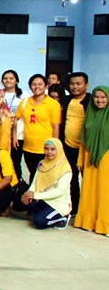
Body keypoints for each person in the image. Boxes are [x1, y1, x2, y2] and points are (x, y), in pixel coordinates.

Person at [13, 74, 61, 184]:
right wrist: (14, 136)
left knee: (44, 176)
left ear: (46, 86)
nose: (37, 87)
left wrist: (55, 145)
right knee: (33, 174)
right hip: (28, 147)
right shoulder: (25, 102)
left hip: (46, 148)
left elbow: (56, 127)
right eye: (34, 84)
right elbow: (16, 119)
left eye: (40, 84)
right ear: (30, 86)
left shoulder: (53, 104)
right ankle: (33, 194)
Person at [74, 86, 109, 234]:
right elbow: (83, 139)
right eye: (96, 97)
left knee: (105, 191)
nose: (99, 100)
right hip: (89, 157)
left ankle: (105, 224)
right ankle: (87, 220)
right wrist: (80, 160)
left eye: (103, 97)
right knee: (89, 190)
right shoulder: (90, 114)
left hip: (106, 157)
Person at [19, 138, 72, 229]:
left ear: (59, 150)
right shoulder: (42, 163)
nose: (49, 152)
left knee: (39, 222)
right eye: (46, 149)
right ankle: (44, 213)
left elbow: (59, 191)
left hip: (57, 204)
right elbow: (35, 182)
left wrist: (35, 195)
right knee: (22, 202)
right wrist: (29, 193)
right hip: (44, 199)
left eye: (53, 149)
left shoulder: (65, 169)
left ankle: (63, 218)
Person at [59, 72, 89, 217]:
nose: (75, 87)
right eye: (72, 84)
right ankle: (75, 208)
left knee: (87, 179)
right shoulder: (66, 100)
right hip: (68, 146)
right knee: (71, 178)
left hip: (85, 148)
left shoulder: (91, 101)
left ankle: (87, 210)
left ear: (86, 85)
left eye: (78, 84)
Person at [2, 69, 28, 179]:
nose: (8, 80)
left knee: (15, 160)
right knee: (3, 159)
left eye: (11, 78)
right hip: (2, 132)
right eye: (5, 78)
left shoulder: (24, 95)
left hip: (18, 134)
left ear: (16, 81)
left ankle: (17, 182)